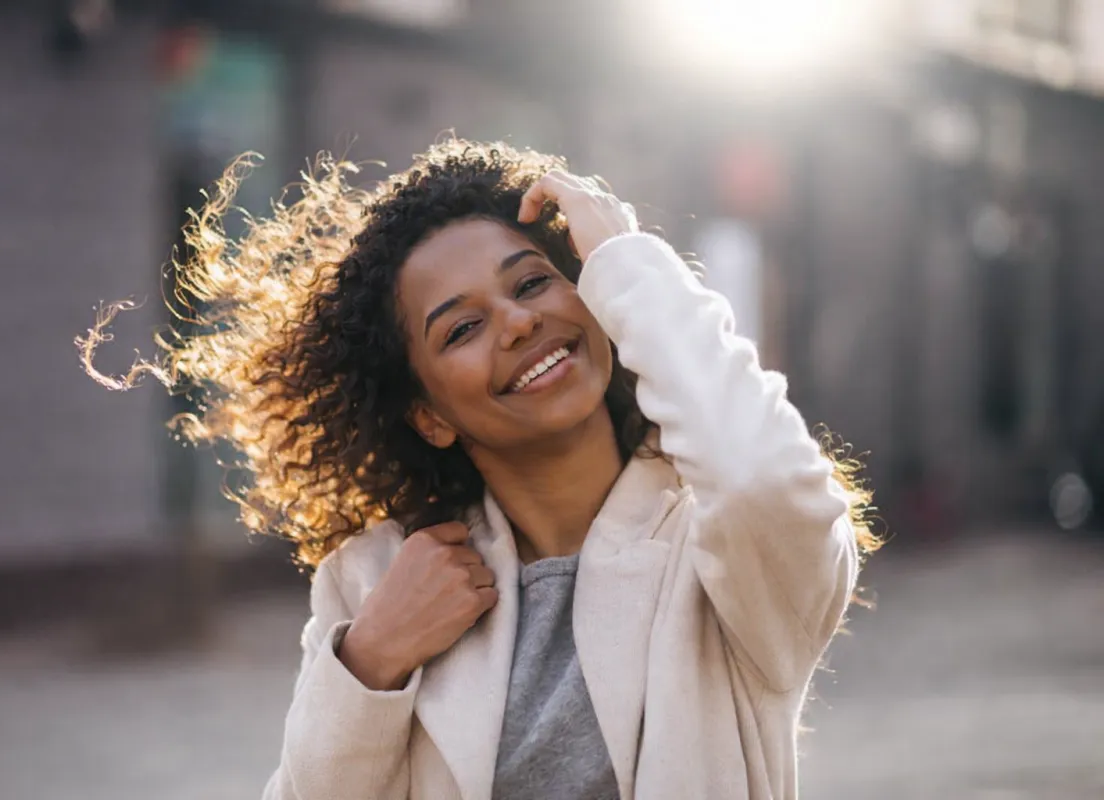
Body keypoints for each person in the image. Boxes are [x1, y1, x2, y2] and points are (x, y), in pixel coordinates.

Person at [81, 139, 878, 799]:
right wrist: (370, 663)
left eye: (534, 282)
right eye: (460, 329)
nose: (520, 321)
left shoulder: (723, 552)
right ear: (427, 415)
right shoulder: (380, 582)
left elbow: (763, 480)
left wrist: (631, 262)